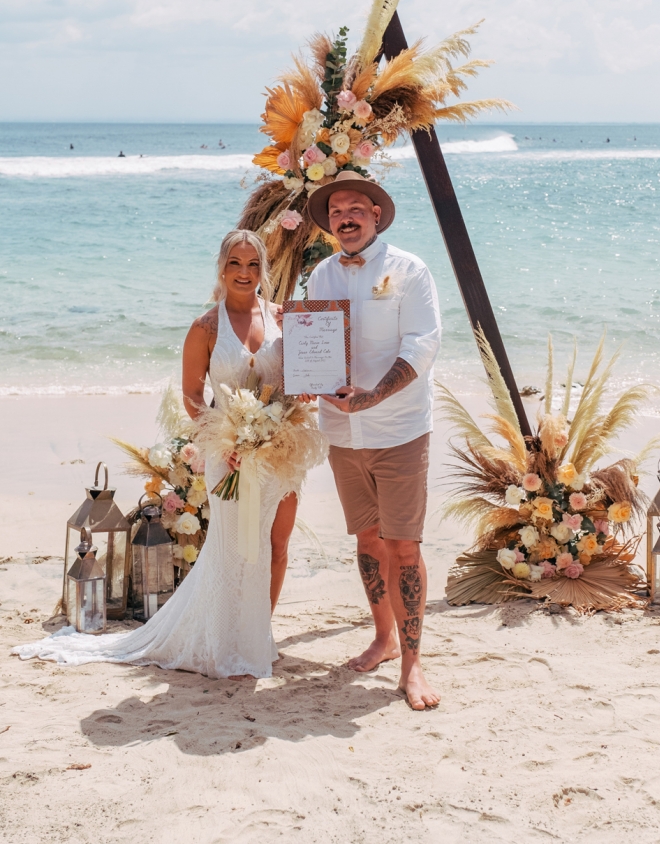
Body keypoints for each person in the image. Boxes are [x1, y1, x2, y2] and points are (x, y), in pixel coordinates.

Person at [14, 230, 301, 679]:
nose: (244, 273)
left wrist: (289, 414)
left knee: (274, 545)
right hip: (229, 456)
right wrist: (227, 442)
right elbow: (192, 396)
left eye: (252, 264)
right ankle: (223, 643)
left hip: (278, 453)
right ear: (221, 269)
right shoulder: (206, 327)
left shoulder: (284, 319)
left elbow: (302, 376)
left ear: (263, 269)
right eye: (235, 263)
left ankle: (255, 638)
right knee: (230, 548)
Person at [306, 170, 441, 710]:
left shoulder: (410, 270)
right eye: (337, 211)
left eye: (356, 209)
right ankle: (383, 639)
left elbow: (423, 344)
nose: (346, 218)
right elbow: (313, 346)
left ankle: (413, 663)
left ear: (376, 215)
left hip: (399, 429)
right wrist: (302, 380)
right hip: (341, 432)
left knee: (403, 546)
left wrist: (374, 396)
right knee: (367, 541)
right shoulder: (320, 277)